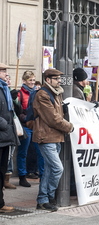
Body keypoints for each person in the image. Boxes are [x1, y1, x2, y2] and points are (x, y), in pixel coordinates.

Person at [32, 68, 74, 211]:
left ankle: (43, 200)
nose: (59, 81)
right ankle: (49, 196)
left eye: (59, 79)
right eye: (56, 79)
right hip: (46, 136)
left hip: (56, 136)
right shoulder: (43, 94)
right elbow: (53, 118)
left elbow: (58, 114)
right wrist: (69, 126)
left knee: (50, 169)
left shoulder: (56, 93)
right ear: (48, 80)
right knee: (57, 168)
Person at [14, 71, 45, 187]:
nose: (32, 82)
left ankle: (42, 175)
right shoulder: (20, 93)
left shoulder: (37, 93)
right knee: (23, 152)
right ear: (24, 81)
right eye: (29, 80)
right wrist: (25, 118)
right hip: (25, 125)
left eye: (33, 80)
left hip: (35, 125)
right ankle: (22, 176)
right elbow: (18, 110)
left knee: (40, 151)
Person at [0, 62, 18, 212]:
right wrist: (5, 125)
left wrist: (15, 98)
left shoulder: (4, 88)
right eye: (3, 70)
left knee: (2, 171)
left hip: (5, 137)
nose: (6, 73)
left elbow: (12, 111)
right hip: (2, 133)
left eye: (6, 70)